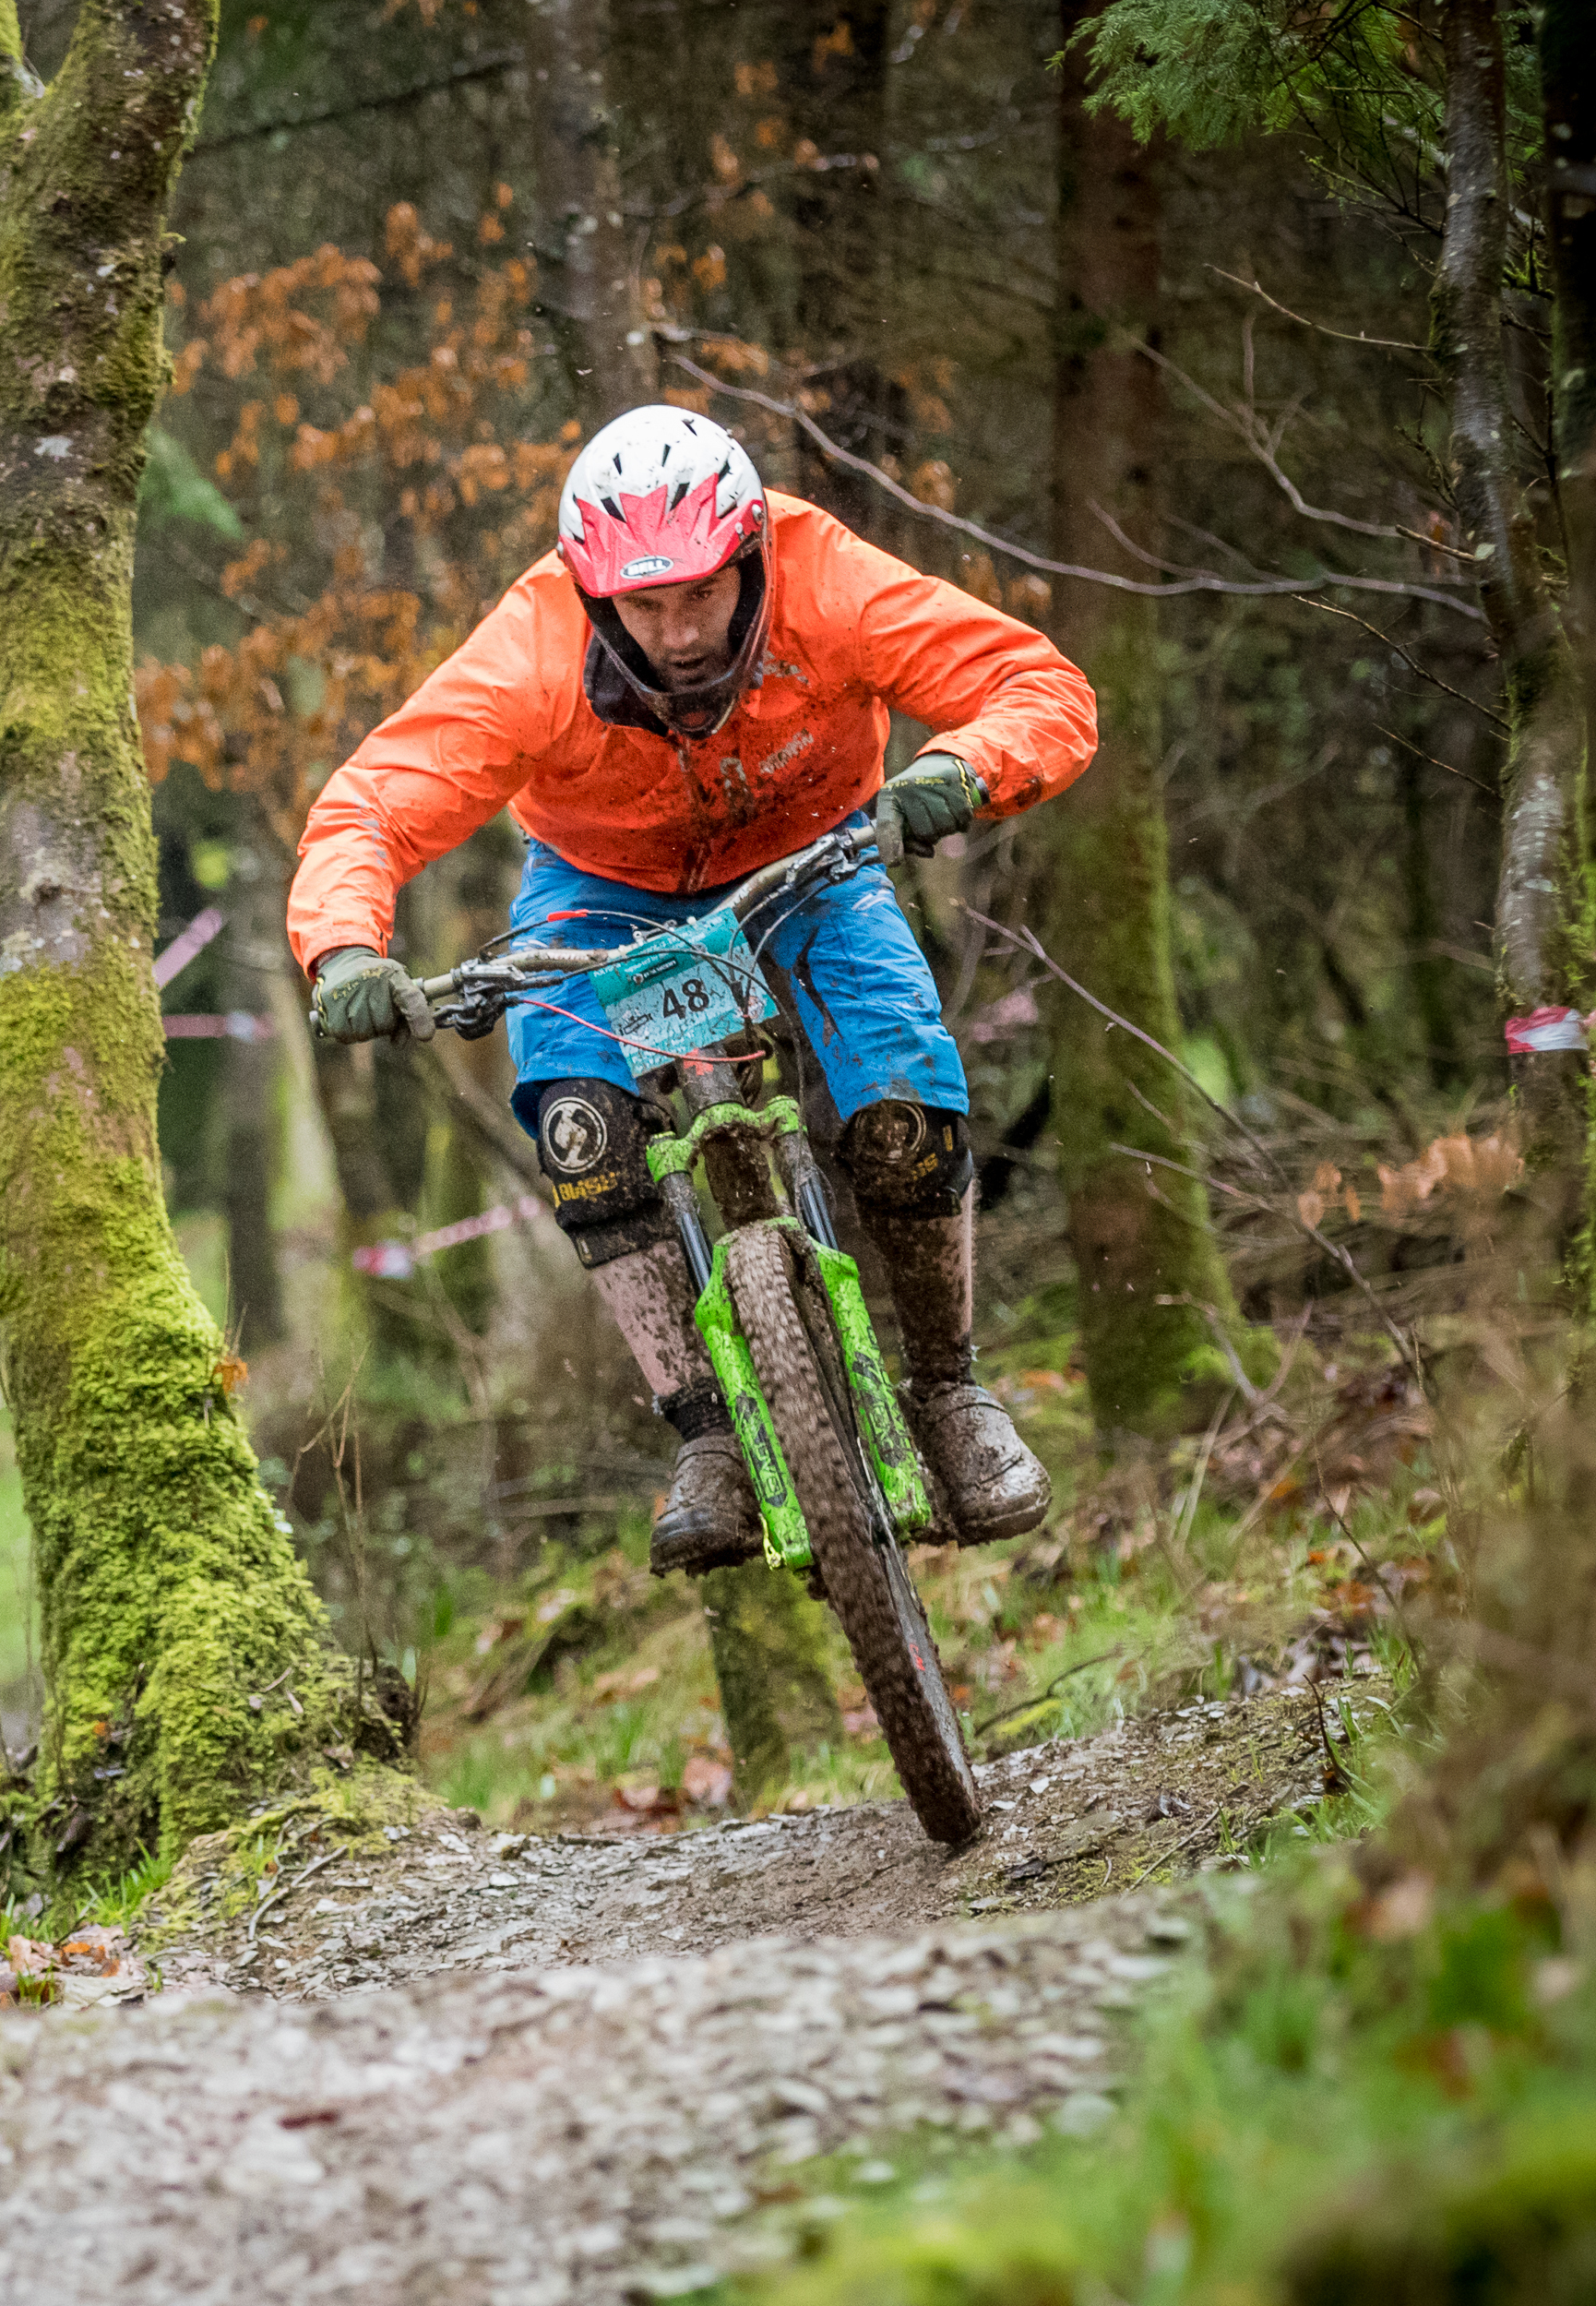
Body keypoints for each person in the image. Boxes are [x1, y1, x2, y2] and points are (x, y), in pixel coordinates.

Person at [292, 405, 1097, 1572]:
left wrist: (958, 771)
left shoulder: (827, 580)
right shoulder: (534, 648)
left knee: (901, 1113)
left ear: (749, 561)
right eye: (642, 605)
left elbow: (1036, 685)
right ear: (590, 587)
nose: (672, 631)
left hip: (816, 855)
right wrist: (346, 950)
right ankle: (707, 1432)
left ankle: (949, 1393)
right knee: (579, 1128)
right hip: (601, 885)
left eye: (700, 597)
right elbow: (370, 804)